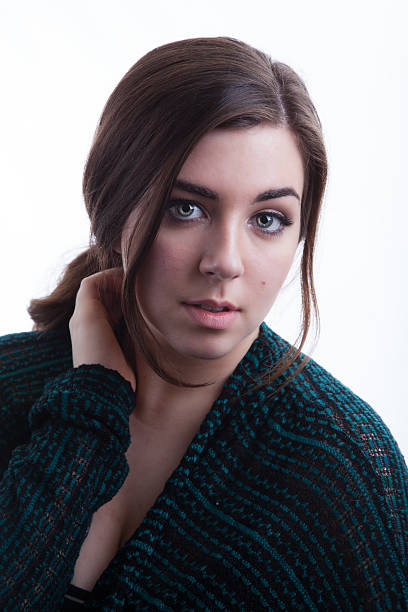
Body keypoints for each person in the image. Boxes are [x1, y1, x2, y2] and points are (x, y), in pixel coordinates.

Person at [0, 36, 407, 612]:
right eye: (185, 207)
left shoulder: (340, 468)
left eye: (268, 219)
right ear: (113, 209)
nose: (226, 260)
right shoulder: (9, 385)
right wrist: (90, 406)